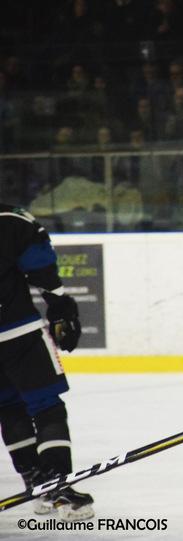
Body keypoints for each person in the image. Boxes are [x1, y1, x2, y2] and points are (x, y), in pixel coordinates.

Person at [0, 204, 93, 521]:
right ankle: (58, 486)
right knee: (46, 406)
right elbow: (39, 263)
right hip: (19, 332)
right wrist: (60, 304)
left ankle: (36, 484)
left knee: (8, 407)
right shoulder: (9, 219)